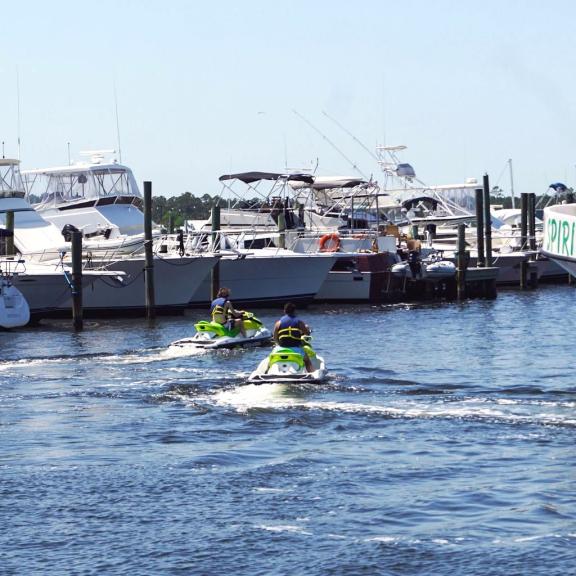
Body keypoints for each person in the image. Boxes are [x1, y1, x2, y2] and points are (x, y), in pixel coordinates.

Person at [273, 302, 313, 372]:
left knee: (270, 359)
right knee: (307, 361)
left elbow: (275, 338)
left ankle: (266, 371)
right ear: (294, 311)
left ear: (284, 311)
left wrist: (279, 344)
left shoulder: (278, 323)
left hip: (281, 349)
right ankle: (312, 374)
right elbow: (307, 333)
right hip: (296, 349)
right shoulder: (299, 322)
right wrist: (308, 330)